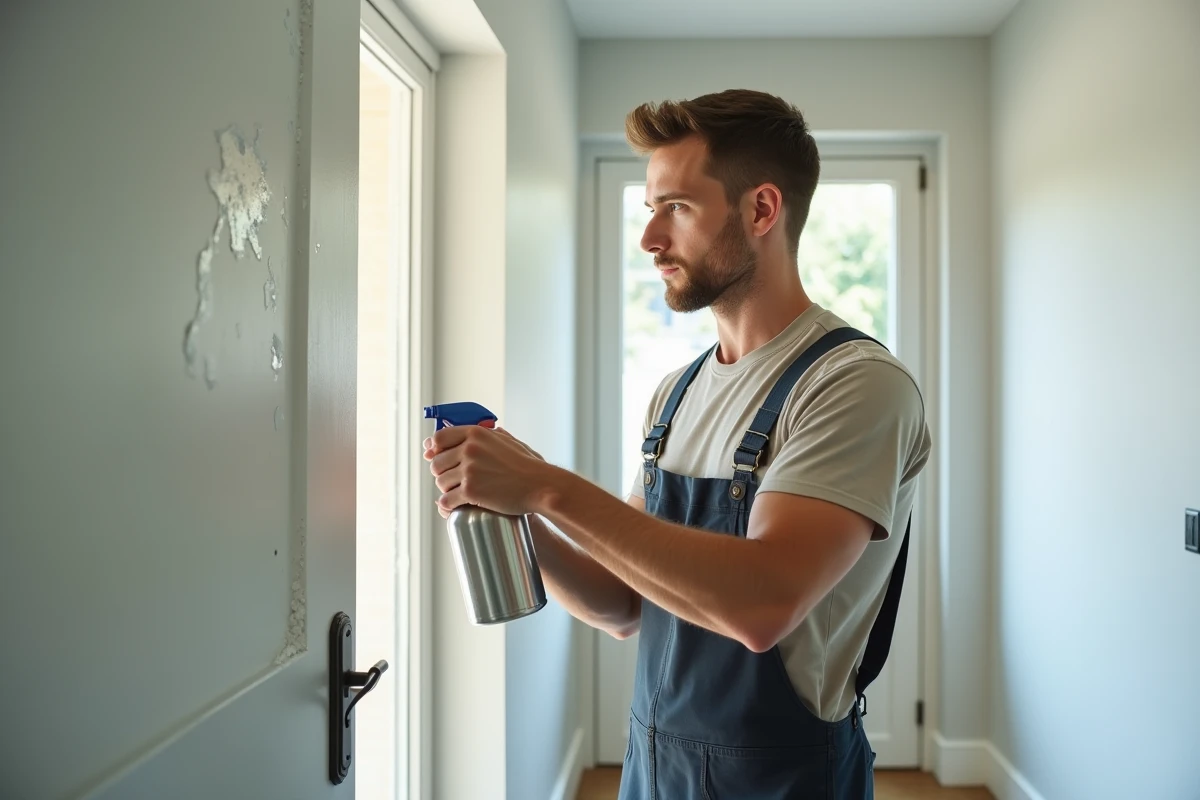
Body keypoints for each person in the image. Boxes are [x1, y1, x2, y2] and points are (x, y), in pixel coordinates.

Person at [423, 88, 932, 800]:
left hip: (781, 778)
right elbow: (622, 605)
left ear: (761, 211)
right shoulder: (676, 393)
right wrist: (508, 509)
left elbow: (762, 605)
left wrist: (546, 486)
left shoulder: (853, 385)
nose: (650, 240)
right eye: (649, 209)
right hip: (653, 768)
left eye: (678, 209)